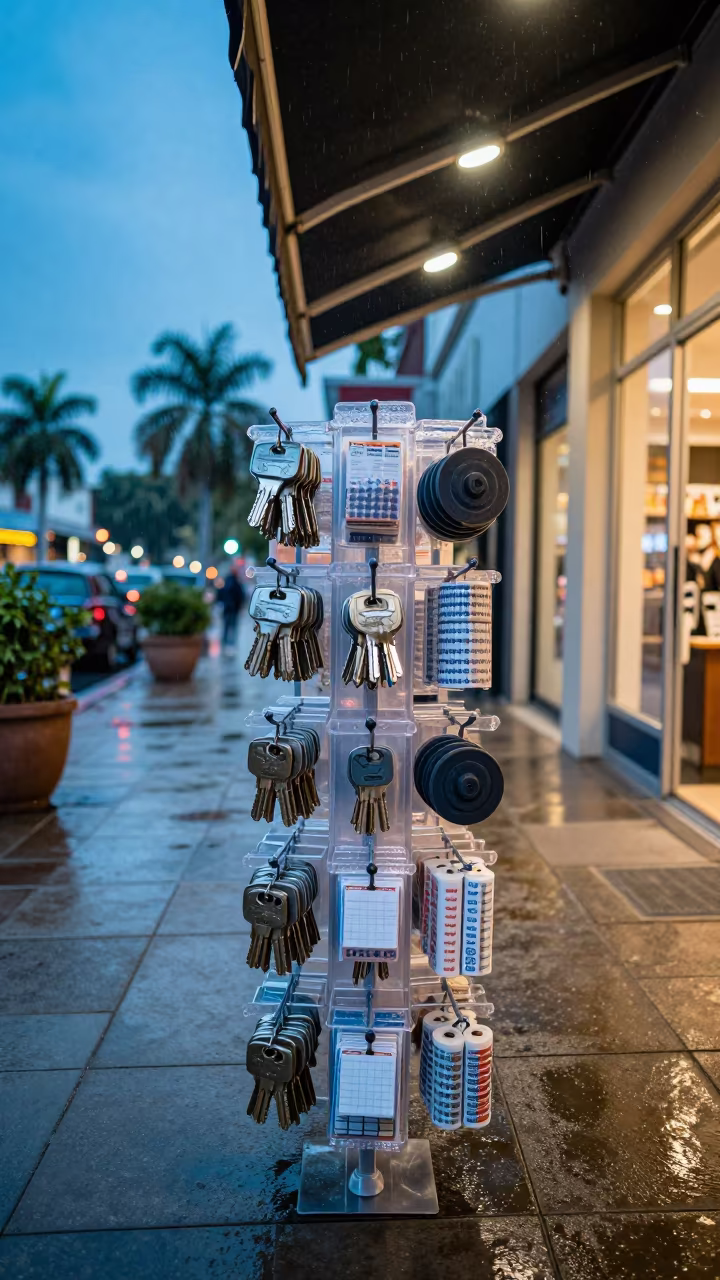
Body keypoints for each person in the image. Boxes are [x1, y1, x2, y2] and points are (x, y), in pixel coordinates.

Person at [218, 565, 245, 649]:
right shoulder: (235, 582)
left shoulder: (228, 581)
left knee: (228, 625)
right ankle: (230, 642)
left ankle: (227, 642)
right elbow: (241, 595)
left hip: (229, 608)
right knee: (231, 626)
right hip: (231, 608)